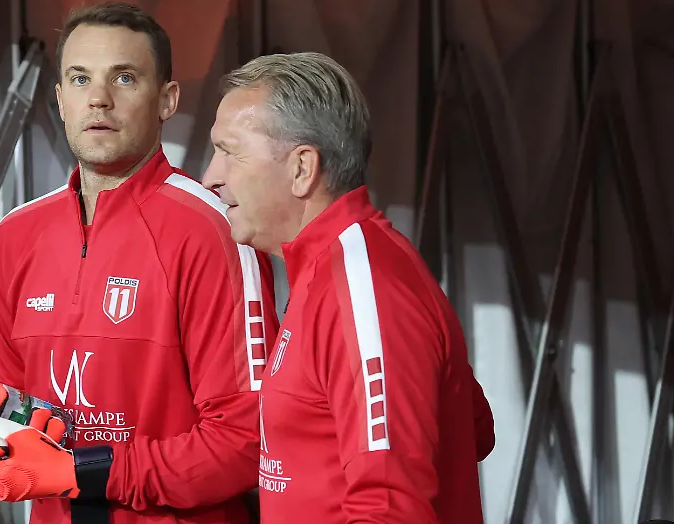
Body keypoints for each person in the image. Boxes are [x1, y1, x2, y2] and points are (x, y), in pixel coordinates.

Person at [0, 1, 280, 524]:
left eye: (124, 78)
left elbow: (246, 439)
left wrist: (87, 471)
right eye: (80, 79)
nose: (98, 98)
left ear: (167, 99)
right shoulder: (16, 234)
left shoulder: (215, 230)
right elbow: (5, 404)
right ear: (60, 99)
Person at [201, 52, 495, 523]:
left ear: (302, 168)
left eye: (229, 152)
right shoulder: (335, 270)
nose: (210, 178)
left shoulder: (363, 285)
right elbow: (470, 425)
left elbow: (390, 510)